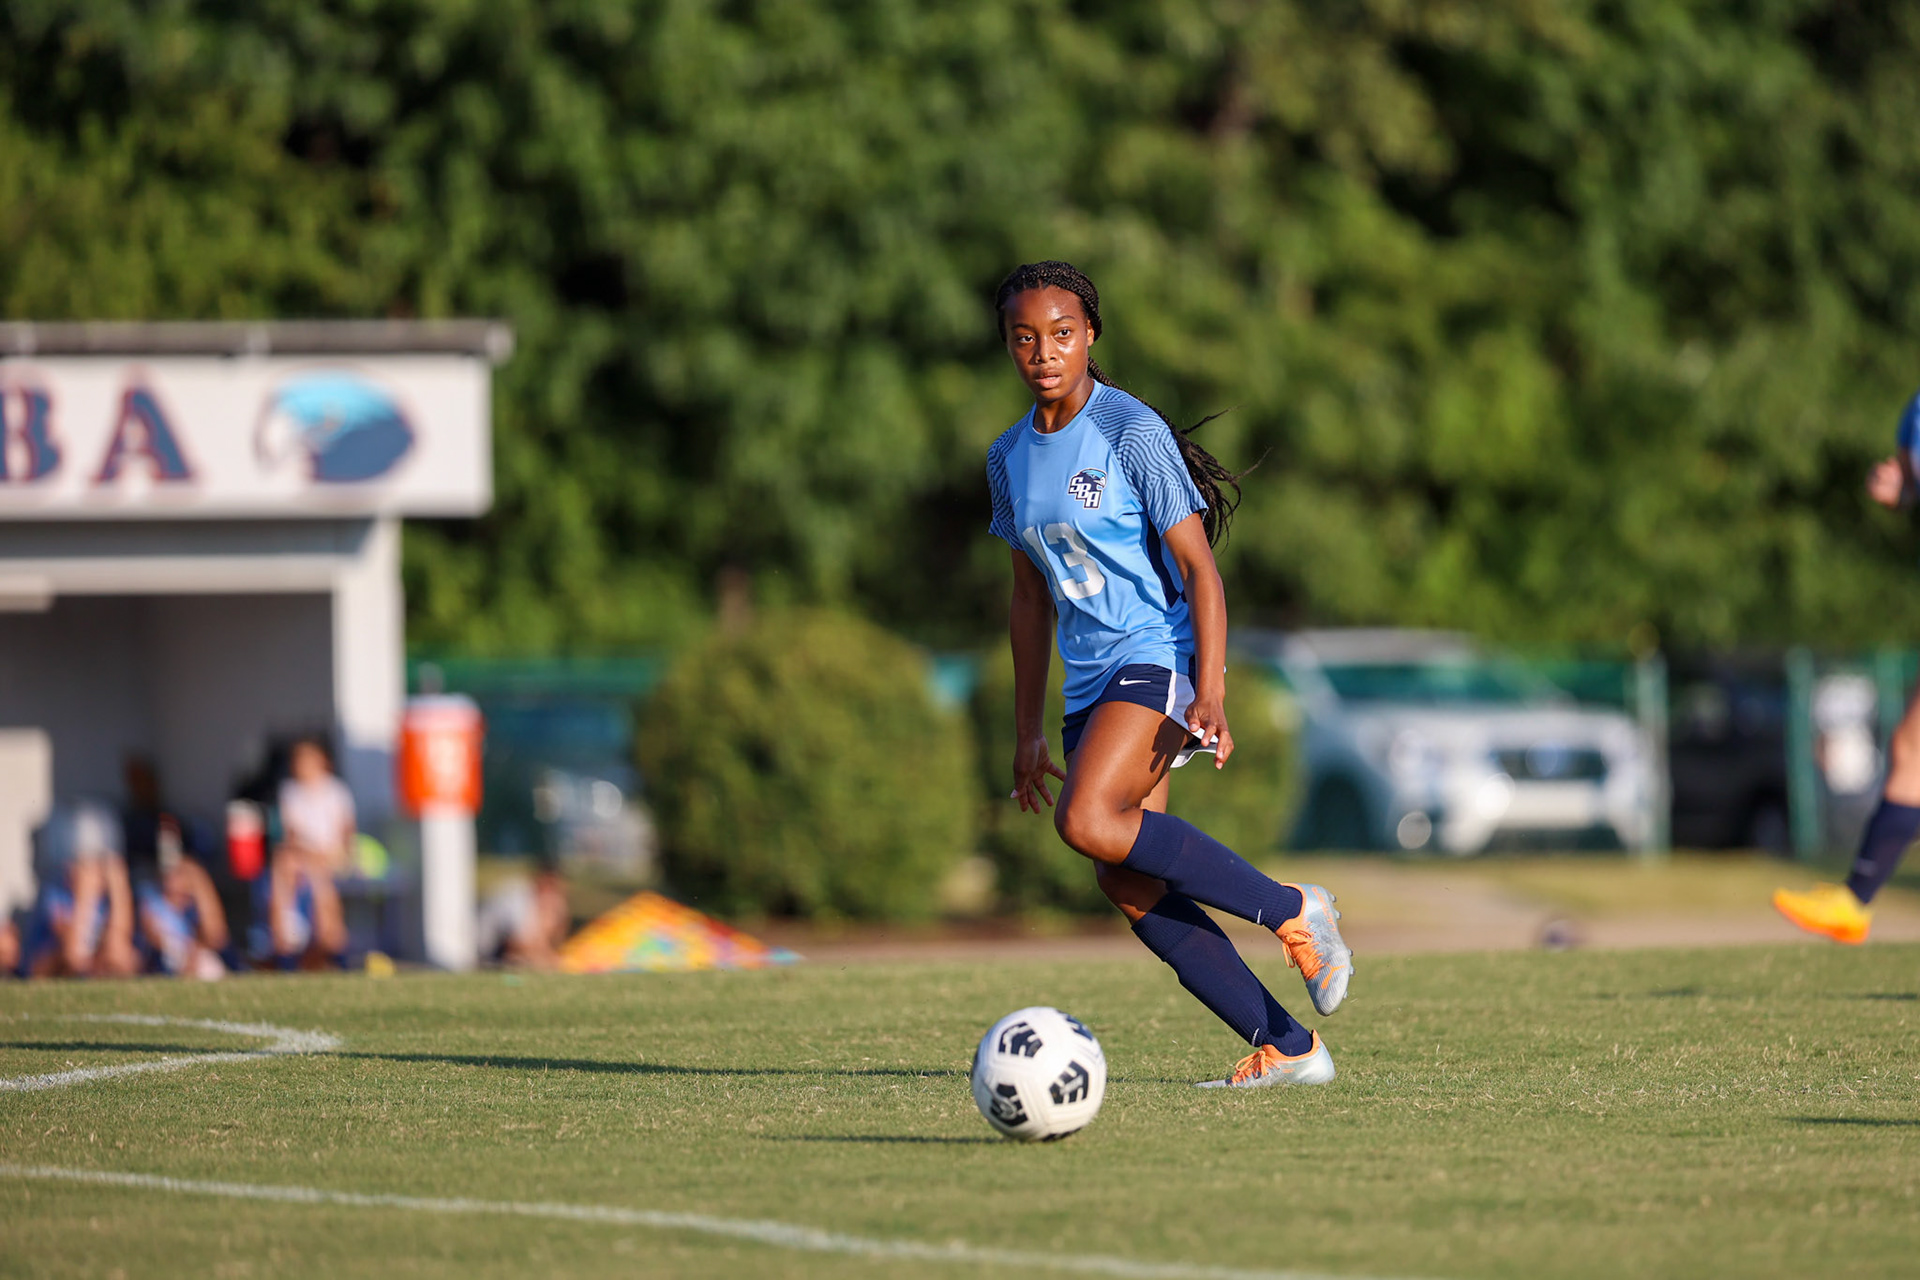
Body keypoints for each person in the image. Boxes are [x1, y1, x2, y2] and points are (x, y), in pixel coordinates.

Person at [986, 261, 1352, 1089]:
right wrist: (1028, 730)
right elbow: (1027, 601)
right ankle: (1289, 1047)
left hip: (1154, 658)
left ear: (1092, 336)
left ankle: (1294, 909)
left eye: (1062, 333)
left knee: (1085, 820)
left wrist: (1210, 686)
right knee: (1125, 874)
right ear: (1009, 345)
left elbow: (1200, 571)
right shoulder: (1008, 459)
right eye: (1025, 338)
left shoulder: (1129, 430)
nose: (1044, 352)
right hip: (1089, 685)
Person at [1776, 389, 1920, 943]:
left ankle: (1855, 898)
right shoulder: (1916, 411)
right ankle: (1853, 900)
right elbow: (1911, 482)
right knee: (1911, 749)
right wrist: (1898, 489)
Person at [17, 801, 138, 978]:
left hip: (94, 965)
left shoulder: (108, 896)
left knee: (121, 955)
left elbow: (120, 948)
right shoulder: (55, 894)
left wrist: (119, 890)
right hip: (53, 968)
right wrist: (85, 896)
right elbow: (75, 954)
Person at [268, 736, 355, 968]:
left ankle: (306, 939)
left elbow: (346, 832)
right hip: (305, 856)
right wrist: (313, 853)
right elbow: (293, 834)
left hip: (331, 855)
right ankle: (302, 937)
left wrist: (336, 853)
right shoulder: (290, 791)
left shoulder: (336, 790)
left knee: (311, 871)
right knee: (290, 864)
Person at [136, 816, 232, 979]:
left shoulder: (194, 898)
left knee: (207, 965)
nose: (172, 878)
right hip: (164, 967)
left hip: (196, 958)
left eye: (178, 872)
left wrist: (200, 883)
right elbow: (155, 938)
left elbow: (216, 935)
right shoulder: (148, 894)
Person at [476, 863, 571, 969]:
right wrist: (549, 959)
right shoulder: (518, 900)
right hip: (484, 950)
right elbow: (516, 944)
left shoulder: (539, 899)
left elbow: (550, 938)